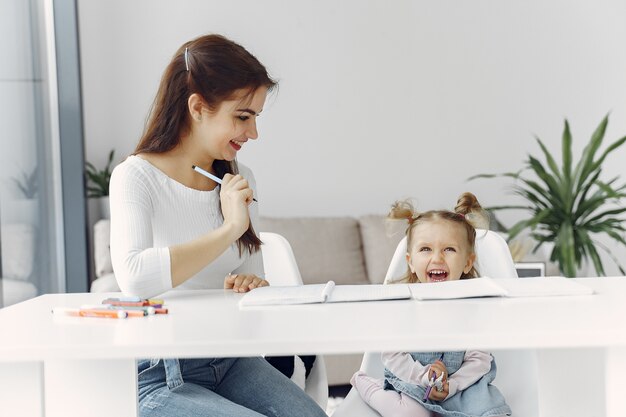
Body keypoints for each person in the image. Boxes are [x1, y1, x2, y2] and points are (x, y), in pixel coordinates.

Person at [109, 34, 326, 417]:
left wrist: (250, 286)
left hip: (231, 360)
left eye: (255, 118)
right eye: (243, 117)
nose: (253, 133)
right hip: (160, 372)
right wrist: (228, 229)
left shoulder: (242, 182)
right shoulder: (135, 177)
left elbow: (250, 281)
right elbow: (135, 277)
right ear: (197, 107)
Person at [350, 192, 512, 417]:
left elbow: (480, 360)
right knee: (411, 414)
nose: (437, 259)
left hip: (462, 386)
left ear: (467, 262)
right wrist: (426, 377)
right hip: (414, 379)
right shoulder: (402, 304)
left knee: (491, 414)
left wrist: (451, 385)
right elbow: (393, 356)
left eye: (449, 249)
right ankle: (369, 386)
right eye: (425, 249)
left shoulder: (475, 307)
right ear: (411, 262)